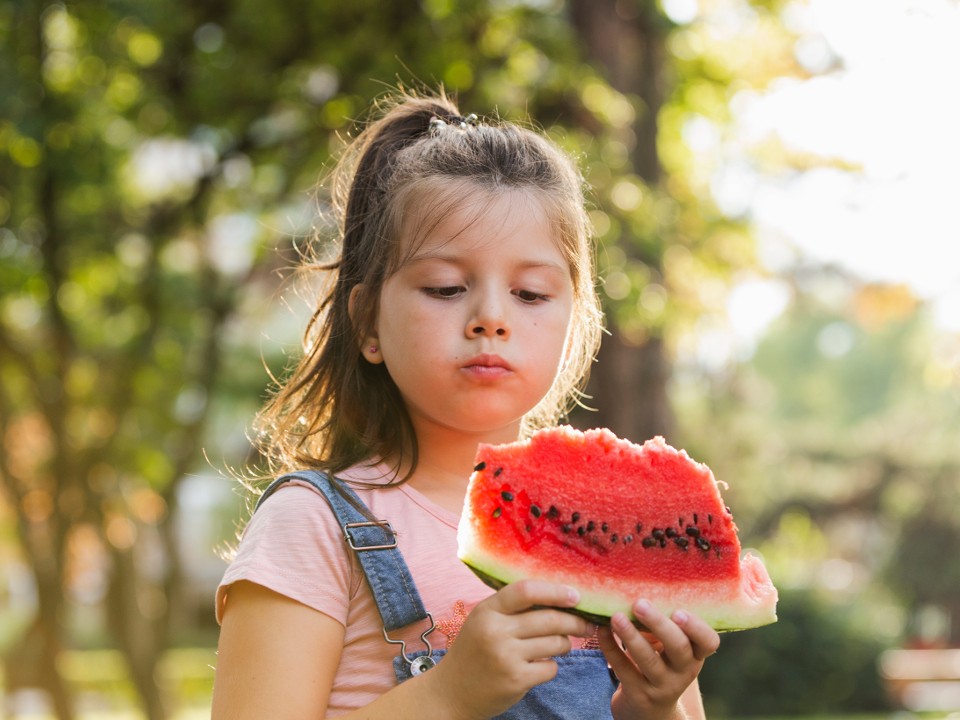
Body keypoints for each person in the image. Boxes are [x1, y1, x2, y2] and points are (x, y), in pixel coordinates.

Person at [211, 90, 720, 720]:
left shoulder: (623, 531)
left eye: (531, 294)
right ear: (368, 322)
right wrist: (447, 695)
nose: (491, 319)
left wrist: (655, 704)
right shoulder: (313, 525)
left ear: (575, 322)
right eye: (446, 287)